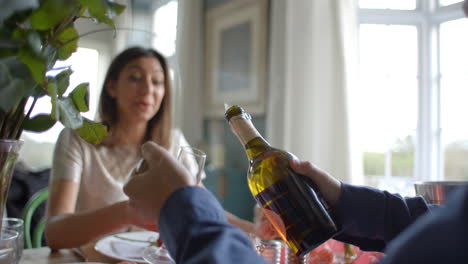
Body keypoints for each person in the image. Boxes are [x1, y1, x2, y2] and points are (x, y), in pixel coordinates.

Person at [45, 47, 253, 250]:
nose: (147, 90)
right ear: (111, 87)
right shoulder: (78, 139)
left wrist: (255, 230)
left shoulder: (174, 141)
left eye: (157, 81)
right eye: (135, 77)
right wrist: (127, 212)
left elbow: (204, 208)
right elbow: (55, 233)